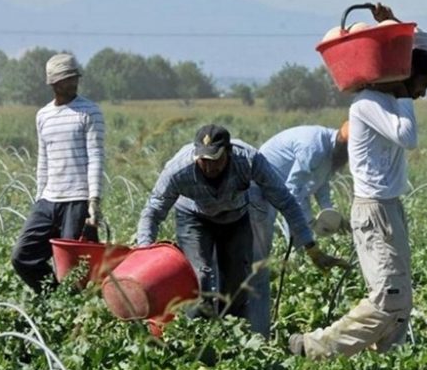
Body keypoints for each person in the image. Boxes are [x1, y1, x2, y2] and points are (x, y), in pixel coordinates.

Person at [290, 3, 427, 359]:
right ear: (405, 78)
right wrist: (404, 94)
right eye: (421, 85)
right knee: (388, 298)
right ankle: (314, 347)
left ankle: (390, 357)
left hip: (390, 208)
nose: (422, 94)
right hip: (373, 211)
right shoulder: (368, 103)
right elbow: (407, 137)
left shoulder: (388, 99)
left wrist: (392, 26)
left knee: (401, 299)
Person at [135, 124, 348, 321]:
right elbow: (153, 211)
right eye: (203, 160)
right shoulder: (178, 170)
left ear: (228, 152)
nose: (208, 167)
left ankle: (231, 340)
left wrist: (311, 248)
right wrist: (144, 253)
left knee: (236, 286)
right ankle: (197, 338)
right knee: (200, 278)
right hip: (194, 218)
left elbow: (286, 201)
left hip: (235, 218)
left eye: (215, 159)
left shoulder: (248, 160)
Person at [11, 53, 105, 294]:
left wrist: (93, 201)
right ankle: (54, 300)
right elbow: (43, 160)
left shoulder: (89, 111)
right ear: (53, 83)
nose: (72, 83)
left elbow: (96, 157)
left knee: (74, 270)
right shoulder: (43, 115)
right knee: (22, 256)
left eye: (74, 77)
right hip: (49, 200)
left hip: (77, 200)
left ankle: (72, 313)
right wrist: (39, 197)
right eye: (66, 79)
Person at [247, 123, 351, 337]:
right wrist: (308, 226)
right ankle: (256, 328)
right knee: (260, 257)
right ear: (345, 145)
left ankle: (281, 302)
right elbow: (292, 193)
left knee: (297, 243)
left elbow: (321, 186)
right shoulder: (312, 147)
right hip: (259, 190)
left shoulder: (330, 153)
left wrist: (330, 215)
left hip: (280, 191)